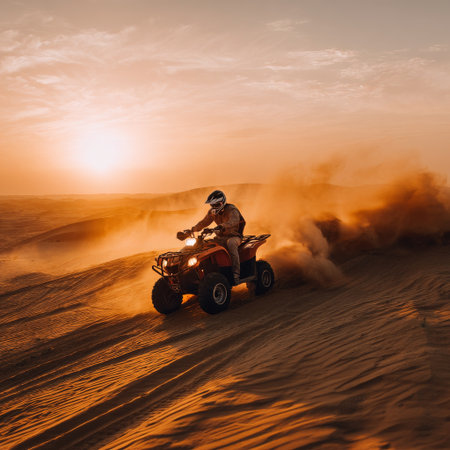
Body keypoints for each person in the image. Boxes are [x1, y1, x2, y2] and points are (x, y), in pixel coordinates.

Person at [189, 190, 245, 284]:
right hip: (220, 238)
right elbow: (204, 222)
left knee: (231, 244)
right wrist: (192, 229)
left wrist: (222, 226)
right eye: (212, 205)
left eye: (216, 205)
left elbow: (233, 221)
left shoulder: (232, 209)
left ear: (222, 202)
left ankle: (236, 274)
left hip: (234, 236)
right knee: (205, 245)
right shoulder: (212, 212)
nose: (214, 207)